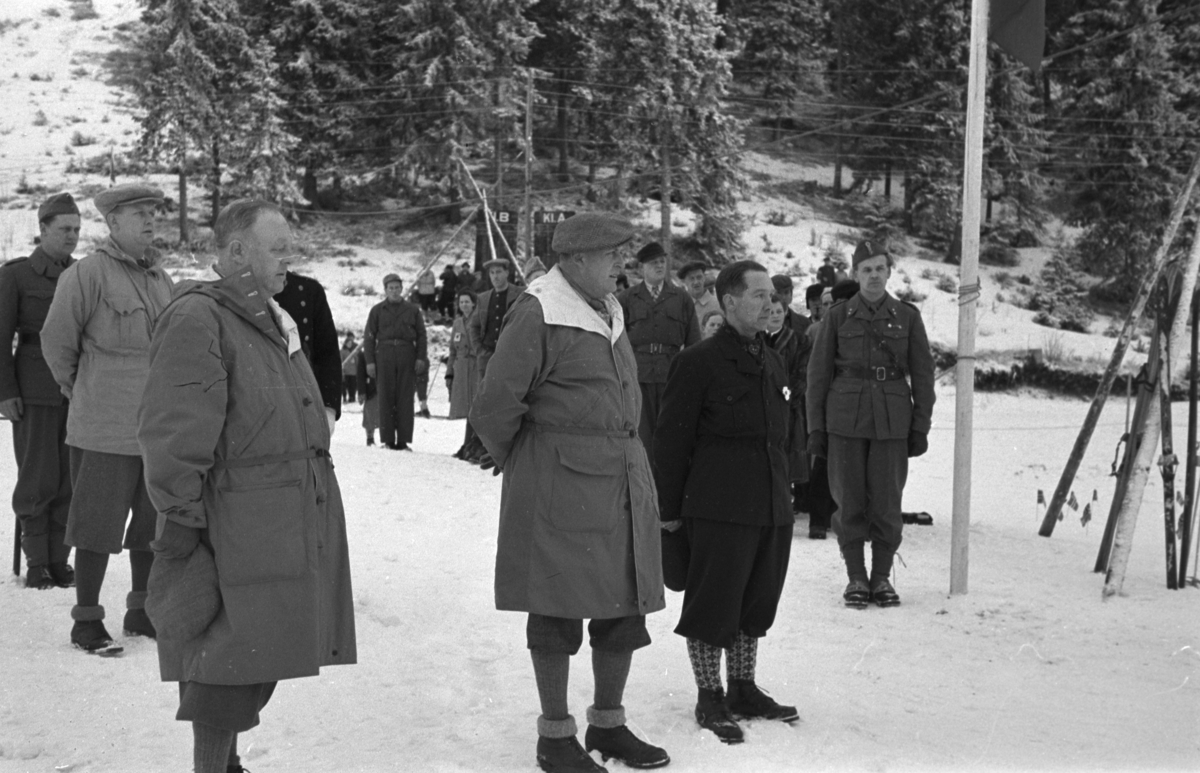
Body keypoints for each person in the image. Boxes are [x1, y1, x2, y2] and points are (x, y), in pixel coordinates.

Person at [138, 198, 356, 773]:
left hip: (276, 517)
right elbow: (172, 436)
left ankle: (226, 764)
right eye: (277, 247)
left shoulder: (265, 313)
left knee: (257, 656)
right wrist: (184, 527)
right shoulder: (197, 317)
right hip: (233, 524)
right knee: (226, 665)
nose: (292, 257)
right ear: (237, 252)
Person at [471, 212, 669, 773]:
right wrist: (535, 467)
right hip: (561, 483)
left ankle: (608, 725)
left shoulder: (608, 308)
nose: (620, 266)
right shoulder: (538, 311)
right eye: (611, 256)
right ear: (576, 260)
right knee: (557, 609)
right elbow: (494, 407)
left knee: (624, 607)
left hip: (620, 479)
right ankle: (555, 737)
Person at [654, 260, 797, 745]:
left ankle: (742, 688)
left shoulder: (772, 358)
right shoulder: (697, 362)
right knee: (713, 602)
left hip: (769, 500)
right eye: (757, 295)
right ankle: (709, 693)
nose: (769, 302)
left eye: (771, 295)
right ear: (729, 301)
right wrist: (668, 512)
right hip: (718, 503)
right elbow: (671, 442)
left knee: (756, 598)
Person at [41, 183, 174, 654]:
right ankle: (87, 622)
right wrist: (82, 389)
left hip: (154, 430)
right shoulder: (87, 275)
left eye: (152, 213)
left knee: (150, 526)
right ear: (113, 222)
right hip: (102, 428)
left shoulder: (161, 279)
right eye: (138, 213)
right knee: (96, 527)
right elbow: (56, 342)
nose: (149, 220)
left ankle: (140, 611)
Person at [806, 239, 935, 608]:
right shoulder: (838, 316)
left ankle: (881, 579)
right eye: (866, 270)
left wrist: (921, 426)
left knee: (887, 503)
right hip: (844, 420)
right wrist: (816, 428)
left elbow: (923, 375)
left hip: (893, 421)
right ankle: (856, 578)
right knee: (848, 502)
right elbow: (818, 376)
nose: (874, 275)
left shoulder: (908, 316)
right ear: (855, 274)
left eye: (880, 268)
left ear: (889, 271)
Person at [0, 192, 79, 589]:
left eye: (77, 230)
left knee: (70, 476)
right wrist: (5, 391)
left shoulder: (82, 274)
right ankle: (36, 562)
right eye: (64, 229)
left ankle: (59, 559)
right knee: (37, 475)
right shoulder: (15, 276)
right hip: (32, 389)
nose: (72, 237)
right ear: (43, 229)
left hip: (76, 390)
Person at [616, 242, 700, 473]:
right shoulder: (627, 298)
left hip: (671, 377)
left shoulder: (681, 298)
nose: (659, 266)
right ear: (642, 267)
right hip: (638, 377)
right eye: (654, 263)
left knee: (670, 436)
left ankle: (667, 490)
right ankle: (644, 487)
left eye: (662, 262)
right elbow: (616, 342)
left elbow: (694, 343)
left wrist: (690, 379)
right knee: (641, 436)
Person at [802, 279, 858, 539]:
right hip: (831, 403)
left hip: (859, 406)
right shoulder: (823, 328)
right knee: (823, 462)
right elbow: (815, 372)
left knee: (858, 465)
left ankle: (852, 518)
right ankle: (818, 519)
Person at [363, 274, 427, 450]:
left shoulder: (412, 310)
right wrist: (370, 362)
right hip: (384, 355)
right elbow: (369, 337)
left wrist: (421, 357)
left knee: (405, 398)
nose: (394, 291)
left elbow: (422, 335)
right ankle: (388, 440)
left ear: (402, 289)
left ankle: (403, 440)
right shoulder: (377, 310)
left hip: (407, 354)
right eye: (390, 288)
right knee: (385, 397)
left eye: (397, 288)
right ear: (385, 290)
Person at [275, 271, 341, 433]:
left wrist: (328, 408)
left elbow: (327, 352)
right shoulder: (240, 289)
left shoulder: (308, 290)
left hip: (304, 395)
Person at [765, 295, 811, 517]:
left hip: (789, 408)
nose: (774, 316)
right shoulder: (755, 339)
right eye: (770, 312)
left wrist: (784, 397)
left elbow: (801, 375)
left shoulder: (799, 341)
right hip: (760, 408)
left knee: (786, 458)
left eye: (779, 312)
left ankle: (785, 505)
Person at [469, 257, 524, 381]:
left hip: (512, 358)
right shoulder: (483, 298)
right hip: (487, 358)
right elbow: (474, 326)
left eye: (498, 272)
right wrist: (479, 350)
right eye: (492, 273)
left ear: (507, 273)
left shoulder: (520, 294)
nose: (495, 276)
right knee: (488, 396)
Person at [446, 289, 480, 460]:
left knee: (475, 408)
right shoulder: (458, 323)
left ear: (473, 303)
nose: (464, 305)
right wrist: (449, 373)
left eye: (467, 301)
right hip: (461, 368)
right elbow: (452, 350)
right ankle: (467, 444)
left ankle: (472, 445)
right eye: (461, 302)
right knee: (466, 409)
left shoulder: (479, 319)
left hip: (475, 368)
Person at [678, 260, 719, 329]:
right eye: (691, 279)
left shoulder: (718, 304)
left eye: (699, 277)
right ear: (683, 282)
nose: (696, 282)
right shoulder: (678, 305)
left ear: (704, 278)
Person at [356, 347, 379, 446]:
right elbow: (360, 374)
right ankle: (370, 438)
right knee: (370, 415)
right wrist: (362, 392)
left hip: (386, 388)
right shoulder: (363, 354)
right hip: (371, 390)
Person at [341, 333, 358, 404]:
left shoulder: (354, 351)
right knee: (345, 386)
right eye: (348, 343)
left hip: (353, 372)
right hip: (346, 372)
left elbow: (357, 361)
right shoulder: (343, 351)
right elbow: (341, 361)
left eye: (351, 343)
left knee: (352, 386)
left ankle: (352, 397)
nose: (350, 344)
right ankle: (345, 397)